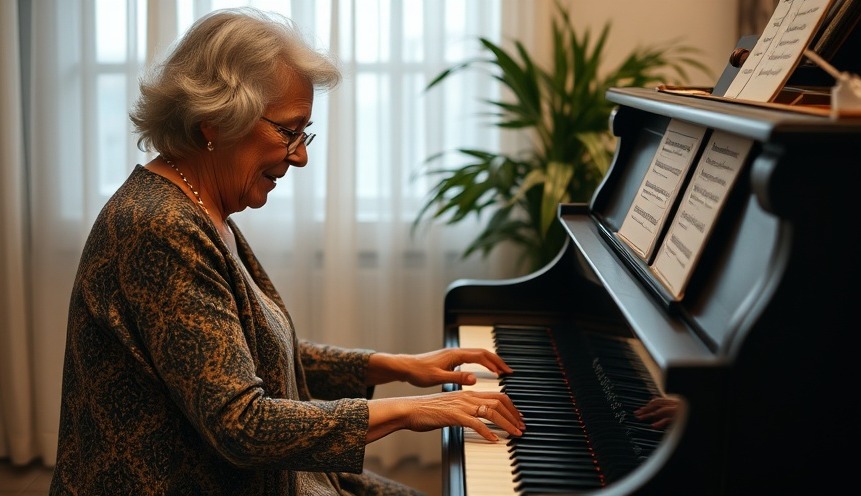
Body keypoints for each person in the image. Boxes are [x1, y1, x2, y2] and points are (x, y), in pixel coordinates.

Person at [49, 7, 523, 495]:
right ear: (214, 120)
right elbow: (242, 423)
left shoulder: (198, 208)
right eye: (288, 131)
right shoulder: (159, 226)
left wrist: (396, 366)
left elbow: (248, 355)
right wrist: (407, 410)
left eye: (304, 133)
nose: (301, 155)